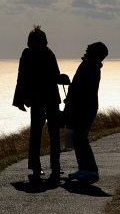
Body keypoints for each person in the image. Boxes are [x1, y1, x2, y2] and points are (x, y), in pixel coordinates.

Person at [12, 25, 69, 180]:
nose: (39, 44)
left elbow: (55, 75)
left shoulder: (50, 54)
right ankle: (36, 167)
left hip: (50, 98)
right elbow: (21, 77)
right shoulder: (27, 55)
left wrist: (63, 79)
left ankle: (55, 167)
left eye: (41, 42)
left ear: (45, 42)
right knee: (36, 134)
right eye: (36, 42)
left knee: (53, 134)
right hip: (37, 100)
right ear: (30, 43)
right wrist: (19, 100)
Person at [63, 42, 109, 182]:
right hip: (85, 107)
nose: (86, 51)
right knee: (78, 138)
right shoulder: (91, 66)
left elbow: (81, 88)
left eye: (88, 49)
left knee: (81, 139)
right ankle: (84, 168)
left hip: (83, 108)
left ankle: (90, 169)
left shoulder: (90, 66)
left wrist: (71, 101)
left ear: (94, 53)